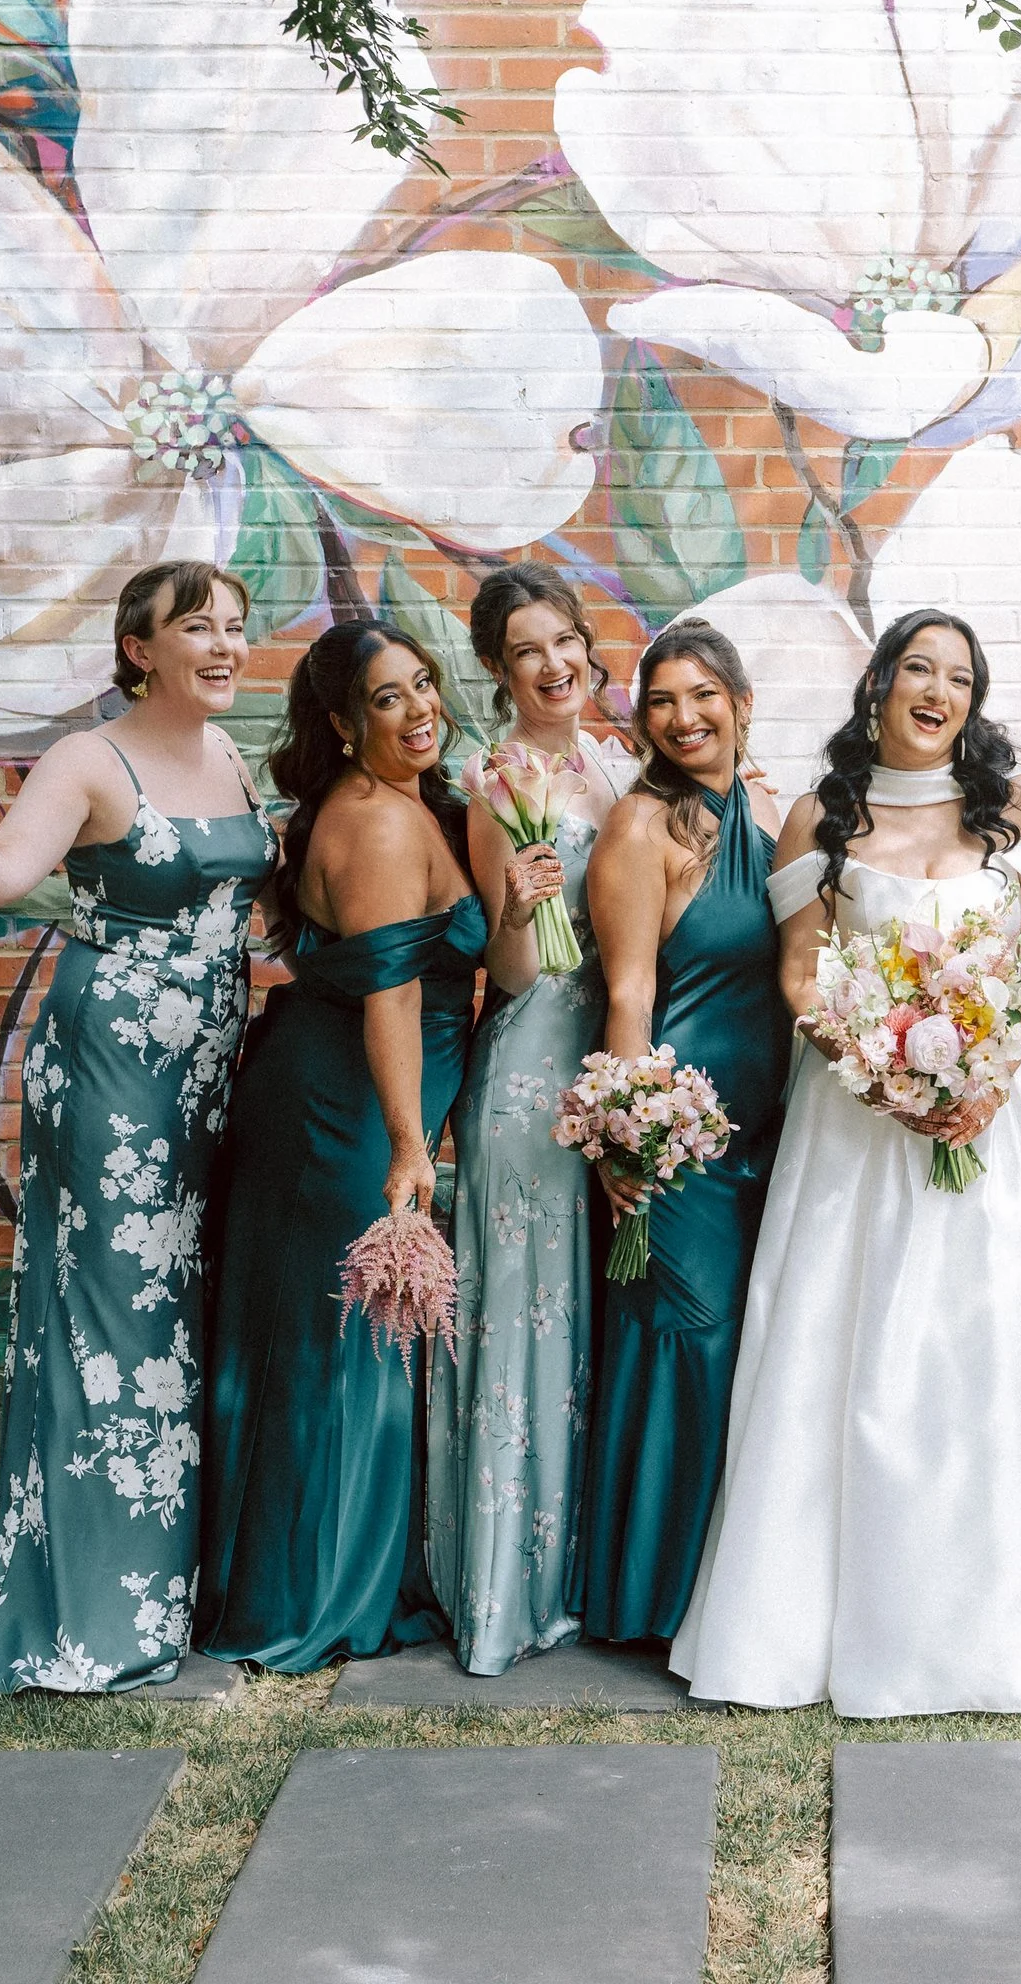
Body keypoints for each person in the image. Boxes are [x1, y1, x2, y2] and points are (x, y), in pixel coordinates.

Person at [670, 609, 1021, 1716]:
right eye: (917, 668)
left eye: (959, 677)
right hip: (857, 1120)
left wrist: (984, 1076)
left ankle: (1000, 1632)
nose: (937, 691)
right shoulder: (817, 815)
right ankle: (814, 1630)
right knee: (850, 1350)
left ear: (975, 699)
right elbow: (801, 971)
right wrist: (875, 1068)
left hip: (1001, 1117)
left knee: (990, 1348)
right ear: (878, 680)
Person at [0, 560, 274, 1692]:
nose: (225, 645)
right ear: (139, 648)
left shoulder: (229, 754)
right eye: (198, 628)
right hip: (110, 1066)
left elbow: (239, 904)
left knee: (176, 1315)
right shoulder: (88, 760)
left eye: (235, 626)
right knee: (111, 1314)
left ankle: (167, 1582)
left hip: (206, 1066)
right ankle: (91, 1613)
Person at [195, 618, 491, 1670]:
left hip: (343, 1093)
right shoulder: (375, 825)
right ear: (341, 722)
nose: (418, 709)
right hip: (346, 1108)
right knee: (345, 1343)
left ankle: (320, 1572)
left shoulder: (402, 804)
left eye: (423, 684)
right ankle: (311, 1598)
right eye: (385, 697)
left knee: (346, 1338)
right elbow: (390, 995)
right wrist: (410, 1146)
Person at [423, 564, 632, 1673]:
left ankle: (585, 1573)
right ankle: (509, 1588)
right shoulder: (492, 779)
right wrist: (517, 907)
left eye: (564, 642)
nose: (553, 666)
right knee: (528, 1318)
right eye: (525, 653)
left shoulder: (619, 765)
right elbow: (505, 977)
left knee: (592, 1318)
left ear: (588, 646)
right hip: (528, 1076)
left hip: (614, 1064)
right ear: (497, 672)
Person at [577, 619, 788, 1644]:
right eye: (660, 700)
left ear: (742, 704)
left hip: (774, 1132)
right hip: (685, 1137)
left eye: (702, 694)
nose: (683, 716)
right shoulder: (640, 827)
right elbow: (628, 993)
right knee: (687, 1341)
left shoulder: (771, 812)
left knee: (748, 1347)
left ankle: (727, 1597)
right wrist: (632, 1137)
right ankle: (652, 1597)